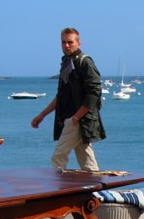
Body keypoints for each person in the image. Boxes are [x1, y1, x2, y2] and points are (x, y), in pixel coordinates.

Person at [31, 27, 105, 171]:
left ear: (79, 43)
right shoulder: (67, 62)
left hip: (80, 119)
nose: (66, 45)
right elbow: (61, 96)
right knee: (87, 162)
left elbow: (93, 94)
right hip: (72, 118)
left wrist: (76, 118)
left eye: (70, 42)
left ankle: (61, 191)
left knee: (58, 157)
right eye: (63, 42)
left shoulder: (85, 63)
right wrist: (42, 115)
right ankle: (95, 190)